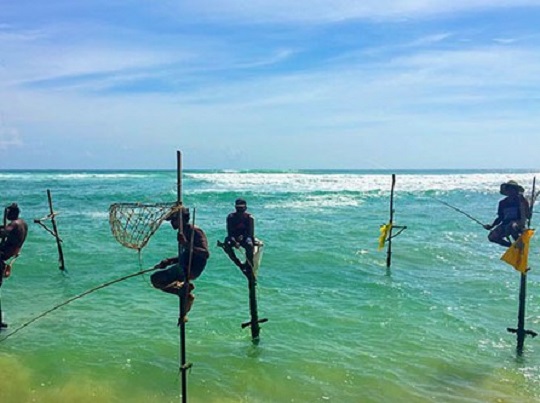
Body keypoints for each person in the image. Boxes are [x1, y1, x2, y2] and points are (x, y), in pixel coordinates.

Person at [150, 207, 210, 319]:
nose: (172, 223)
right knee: (156, 279)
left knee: (157, 279)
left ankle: (183, 292)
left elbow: (205, 253)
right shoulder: (182, 232)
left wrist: (186, 244)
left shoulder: (195, 231)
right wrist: (169, 261)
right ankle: (182, 291)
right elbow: (186, 255)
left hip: (191, 269)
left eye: (174, 220)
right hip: (182, 265)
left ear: (181, 220)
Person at [0, 203, 28, 328]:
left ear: (11, 214)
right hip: (8, 254)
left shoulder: (14, 224)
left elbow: (3, 233)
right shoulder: (23, 224)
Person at [484, 180, 530, 247]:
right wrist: (491, 226)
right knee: (492, 237)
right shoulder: (502, 203)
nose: (511, 191)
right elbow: (500, 217)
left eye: (512, 189)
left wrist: (524, 203)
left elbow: (527, 214)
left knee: (512, 226)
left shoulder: (521, 201)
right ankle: (511, 246)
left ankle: (520, 244)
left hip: (518, 223)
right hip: (505, 224)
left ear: (516, 190)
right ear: (506, 191)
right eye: (509, 190)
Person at [221, 198, 255, 277]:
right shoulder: (231, 217)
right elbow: (229, 232)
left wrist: (243, 237)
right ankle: (239, 264)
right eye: (238, 208)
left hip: (245, 237)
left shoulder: (249, 218)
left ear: (245, 208)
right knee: (227, 245)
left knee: (249, 245)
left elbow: (250, 233)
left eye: (241, 208)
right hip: (234, 237)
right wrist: (234, 241)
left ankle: (249, 264)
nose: (240, 210)